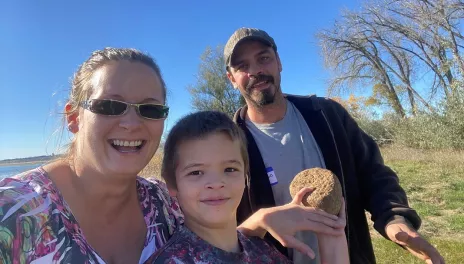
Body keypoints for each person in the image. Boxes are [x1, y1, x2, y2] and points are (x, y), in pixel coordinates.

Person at [0, 47, 344, 264]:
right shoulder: (13, 213)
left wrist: (259, 221)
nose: (132, 123)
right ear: (75, 118)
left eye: (150, 109)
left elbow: (212, 244)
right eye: (110, 105)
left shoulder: (162, 201)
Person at [224, 27, 446, 264]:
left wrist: (395, 220)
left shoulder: (327, 115)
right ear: (231, 79)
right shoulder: (227, 142)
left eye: (264, 58)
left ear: (279, 62)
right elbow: (218, 226)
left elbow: (373, 175)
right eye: (242, 66)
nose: (256, 71)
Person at [149, 110, 349, 264]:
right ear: (172, 184)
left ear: (245, 175)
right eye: (196, 172)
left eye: (229, 169)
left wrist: (331, 232)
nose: (216, 183)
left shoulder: (262, 250)